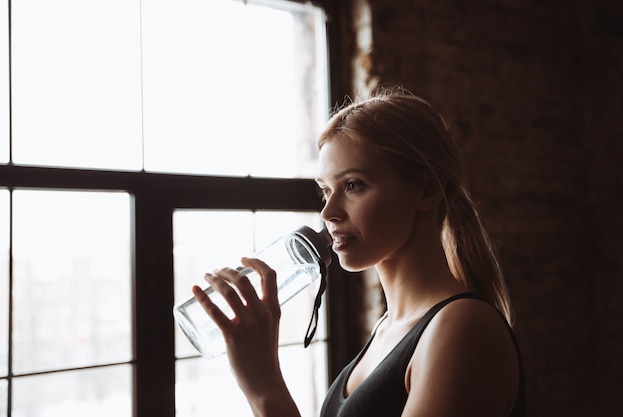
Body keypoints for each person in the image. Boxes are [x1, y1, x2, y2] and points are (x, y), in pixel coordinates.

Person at [192, 87, 525, 416]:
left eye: (353, 185)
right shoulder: (388, 329)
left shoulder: (463, 328)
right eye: (326, 191)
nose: (328, 212)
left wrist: (264, 386)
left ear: (426, 190)